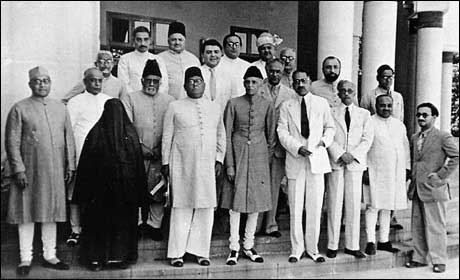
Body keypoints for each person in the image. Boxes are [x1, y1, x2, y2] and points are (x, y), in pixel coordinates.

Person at [5, 66, 75, 276]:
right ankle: (25, 258)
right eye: (37, 81)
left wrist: (70, 165)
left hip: (54, 171)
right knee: (26, 213)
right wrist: (18, 169)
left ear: (50, 83)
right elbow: (11, 141)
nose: (42, 84)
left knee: (50, 213)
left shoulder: (61, 108)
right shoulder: (19, 108)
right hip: (29, 171)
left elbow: (68, 138)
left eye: (45, 80)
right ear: (30, 84)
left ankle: (49, 255)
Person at [72, 99, 148, 271]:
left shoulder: (130, 135)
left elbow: (137, 167)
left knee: (122, 225)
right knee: (98, 224)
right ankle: (96, 259)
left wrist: (138, 193)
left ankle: (120, 258)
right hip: (100, 195)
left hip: (125, 194)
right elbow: (85, 167)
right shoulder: (95, 134)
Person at [162, 66, 226, 267]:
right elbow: (166, 136)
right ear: (185, 85)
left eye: (198, 81)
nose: (195, 84)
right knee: (181, 207)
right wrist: (165, 162)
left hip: (207, 165)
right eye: (190, 81)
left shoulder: (214, 107)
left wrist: (219, 159)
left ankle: (200, 252)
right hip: (182, 164)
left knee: (205, 208)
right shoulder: (175, 106)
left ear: (204, 84)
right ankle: (177, 253)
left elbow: (220, 135)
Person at [277, 69, 335, 263]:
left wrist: (323, 143)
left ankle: (313, 249)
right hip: (296, 159)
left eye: (303, 80)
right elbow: (282, 131)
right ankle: (296, 249)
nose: (300, 84)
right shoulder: (287, 106)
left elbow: (330, 127)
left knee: (315, 206)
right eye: (297, 81)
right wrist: (297, 147)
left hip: (316, 160)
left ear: (309, 81)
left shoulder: (321, 103)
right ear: (292, 84)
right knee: (295, 206)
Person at [220, 66, 276, 265]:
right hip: (238, 154)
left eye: (254, 82)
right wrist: (229, 165)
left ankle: (248, 245)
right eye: (247, 82)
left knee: (255, 204)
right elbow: (226, 135)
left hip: (259, 158)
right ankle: (233, 247)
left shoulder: (267, 105)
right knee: (235, 205)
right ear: (243, 83)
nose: (250, 85)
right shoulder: (233, 104)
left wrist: (265, 160)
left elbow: (271, 137)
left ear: (261, 83)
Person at [120, 59, 175, 241]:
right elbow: (126, 126)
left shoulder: (169, 101)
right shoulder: (130, 98)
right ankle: (135, 224)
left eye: (155, 81)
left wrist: (162, 149)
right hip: (136, 154)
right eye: (148, 80)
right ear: (142, 80)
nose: (151, 84)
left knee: (158, 189)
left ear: (160, 82)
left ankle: (154, 225)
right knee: (134, 187)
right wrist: (139, 146)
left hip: (160, 154)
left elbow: (173, 127)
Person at [405, 103, 459, 273]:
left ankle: (439, 260)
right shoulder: (414, 138)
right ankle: (419, 258)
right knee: (418, 225)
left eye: (425, 115)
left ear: (434, 117)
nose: (421, 118)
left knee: (436, 226)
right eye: (419, 114)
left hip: (434, 188)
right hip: (417, 188)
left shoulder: (443, 136)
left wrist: (440, 175)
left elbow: (456, 156)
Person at [326, 80, 373, 259]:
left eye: (350, 91)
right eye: (343, 90)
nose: (346, 93)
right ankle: (332, 244)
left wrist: (352, 155)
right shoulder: (330, 113)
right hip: (337, 163)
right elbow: (328, 136)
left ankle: (352, 245)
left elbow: (367, 139)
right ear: (338, 93)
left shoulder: (364, 114)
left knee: (353, 204)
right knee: (334, 203)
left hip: (355, 163)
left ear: (355, 93)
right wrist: (339, 154)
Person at [66, 68, 113, 246]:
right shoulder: (75, 102)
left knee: (99, 192)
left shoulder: (108, 101)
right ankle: (75, 229)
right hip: (80, 152)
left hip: (102, 155)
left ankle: (96, 229)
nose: (97, 84)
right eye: (93, 80)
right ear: (85, 82)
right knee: (76, 193)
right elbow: (69, 131)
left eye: (100, 81)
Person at [363, 94, 410, 256]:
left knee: (387, 206)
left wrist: (407, 169)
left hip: (394, 172)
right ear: (376, 105)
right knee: (373, 206)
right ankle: (370, 240)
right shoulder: (369, 121)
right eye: (382, 105)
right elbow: (364, 147)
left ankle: (383, 240)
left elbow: (405, 148)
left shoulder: (399, 125)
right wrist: (365, 169)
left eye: (389, 105)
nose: (386, 108)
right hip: (375, 170)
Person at [360, 64, 405, 230]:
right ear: (378, 77)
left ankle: (391, 219)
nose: (388, 79)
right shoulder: (369, 96)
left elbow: (400, 118)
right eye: (384, 76)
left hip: (392, 140)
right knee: (374, 197)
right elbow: (363, 120)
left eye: (390, 76)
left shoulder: (398, 97)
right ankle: (374, 227)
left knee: (392, 190)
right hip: (376, 145)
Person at [257, 58, 296, 238]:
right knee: (258, 185)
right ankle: (255, 225)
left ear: (283, 72)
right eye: (272, 71)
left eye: (278, 71)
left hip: (279, 146)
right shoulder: (257, 89)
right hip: (259, 144)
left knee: (273, 185)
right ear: (266, 69)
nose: (275, 74)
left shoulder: (289, 93)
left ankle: (271, 224)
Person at [117, 26, 168, 94]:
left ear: (150, 40)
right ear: (133, 40)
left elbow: (164, 83)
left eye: (146, 39)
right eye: (139, 40)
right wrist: (136, 99)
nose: (142, 43)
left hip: (154, 100)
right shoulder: (125, 59)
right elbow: (124, 84)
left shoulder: (158, 59)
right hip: (133, 100)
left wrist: (155, 97)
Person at [62, 50, 127, 103]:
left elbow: (124, 106)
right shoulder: (87, 82)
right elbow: (65, 100)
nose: (105, 65)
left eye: (108, 62)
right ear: (96, 64)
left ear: (113, 64)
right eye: (101, 62)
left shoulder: (120, 84)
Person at [158, 21, 200, 100]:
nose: (177, 42)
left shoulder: (193, 60)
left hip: (190, 102)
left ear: (185, 41)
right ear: (168, 41)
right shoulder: (159, 58)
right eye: (173, 39)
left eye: (180, 40)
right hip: (167, 102)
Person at [199, 38, 237, 113]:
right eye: (209, 52)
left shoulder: (229, 74)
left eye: (216, 52)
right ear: (203, 54)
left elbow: (234, 99)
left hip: (222, 117)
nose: (213, 55)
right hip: (201, 117)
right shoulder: (197, 73)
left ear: (221, 54)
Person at [219, 33, 251, 97]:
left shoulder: (247, 66)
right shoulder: (217, 64)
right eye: (230, 44)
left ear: (241, 47)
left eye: (237, 44)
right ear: (224, 47)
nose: (234, 47)